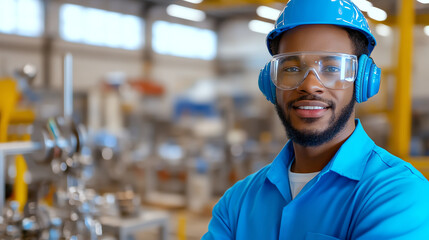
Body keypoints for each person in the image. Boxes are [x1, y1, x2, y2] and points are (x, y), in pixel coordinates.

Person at [202, 0, 429, 239]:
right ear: (270, 83)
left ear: (363, 80)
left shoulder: (399, 194)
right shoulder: (237, 203)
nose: (310, 85)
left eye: (332, 68)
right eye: (291, 69)